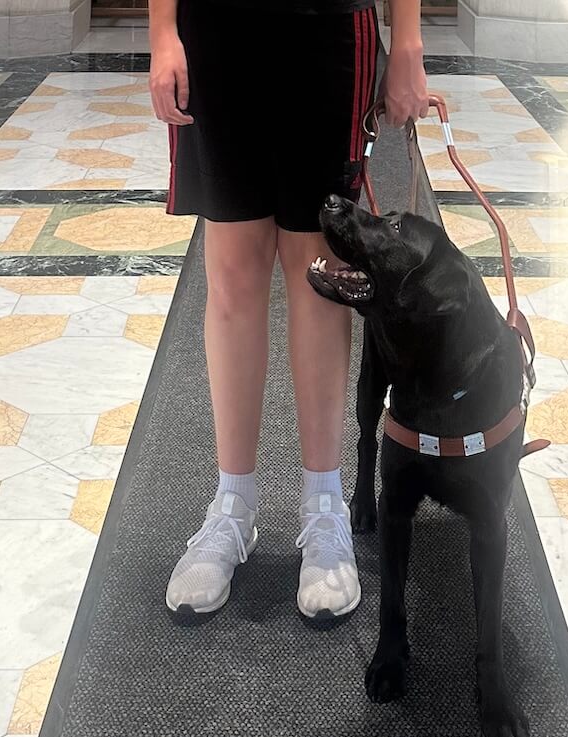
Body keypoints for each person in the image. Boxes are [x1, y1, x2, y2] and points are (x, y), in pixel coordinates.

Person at [150, 0, 428, 619]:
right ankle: (232, 508)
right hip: (216, 30)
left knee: (319, 272)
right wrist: (163, 30)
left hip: (328, 24)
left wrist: (406, 37)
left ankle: (325, 509)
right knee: (232, 271)